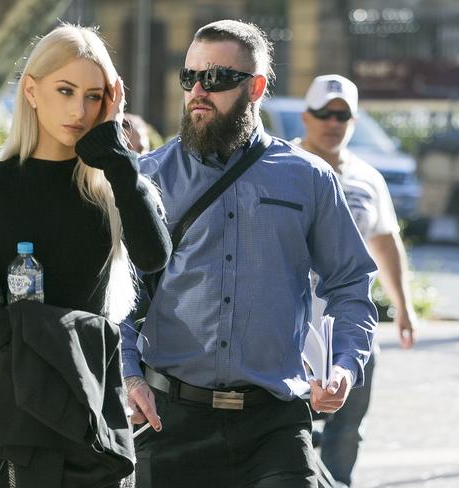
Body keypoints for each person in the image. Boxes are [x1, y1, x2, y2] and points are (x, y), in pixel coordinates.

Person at [120, 19, 378, 488]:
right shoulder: (147, 180)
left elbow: (351, 284)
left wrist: (343, 365)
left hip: (274, 423)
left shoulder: (310, 179)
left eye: (216, 78)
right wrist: (129, 376)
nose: (198, 90)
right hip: (170, 417)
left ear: (255, 86)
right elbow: (116, 296)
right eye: (189, 77)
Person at [0, 23, 171, 488]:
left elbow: (154, 256)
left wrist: (116, 155)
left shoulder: (114, 187)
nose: (79, 110)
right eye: (65, 90)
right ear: (32, 91)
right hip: (10, 410)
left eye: (94, 96)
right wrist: (40, 327)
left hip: (92, 403)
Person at [297, 74, 417, 487]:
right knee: (291, 433)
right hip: (293, 331)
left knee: (347, 431)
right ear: (306, 117)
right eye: (324, 113)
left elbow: (386, 244)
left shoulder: (369, 178)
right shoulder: (282, 168)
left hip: (352, 331)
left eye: (343, 115)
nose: (333, 122)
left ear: (354, 120)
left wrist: (404, 308)